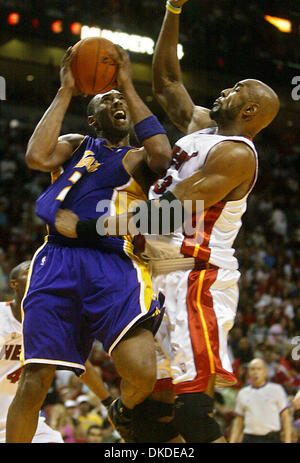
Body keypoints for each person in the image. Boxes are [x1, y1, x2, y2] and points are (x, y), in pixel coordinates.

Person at [55, 0, 280, 443]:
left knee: (193, 413)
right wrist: (173, 10)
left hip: (196, 277)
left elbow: (169, 210)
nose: (225, 90)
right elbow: (168, 80)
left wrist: (82, 229)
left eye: (236, 88)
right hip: (155, 269)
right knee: (147, 416)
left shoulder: (235, 154)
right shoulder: (200, 125)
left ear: (250, 112)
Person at [5, 46, 178, 444]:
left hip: (114, 260)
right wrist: (66, 89)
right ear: (92, 116)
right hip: (57, 259)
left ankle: (123, 409)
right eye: (108, 99)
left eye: (121, 100)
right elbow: (36, 156)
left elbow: (163, 154)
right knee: (36, 380)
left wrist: (127, 86)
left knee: (141, 372)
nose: (116, 101)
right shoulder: (76, 144)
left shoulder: (137, 157)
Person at [0, 261, 63, 443]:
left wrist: (106, 400)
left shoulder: (50, 323)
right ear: (14, 284)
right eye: (29, 270)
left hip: (25, 422)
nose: (36, 273)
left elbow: (83, 366)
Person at [230, 358, 292, 443]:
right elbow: (238, 420)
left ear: (265, 372)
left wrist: (288, 440)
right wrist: (232, 441)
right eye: (252, 369)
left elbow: (285, 417)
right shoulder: (243, 393)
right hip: (250, 438)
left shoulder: (277, 390)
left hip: (271, 438)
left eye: (259, 369)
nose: (255, 372)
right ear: (248, 372)